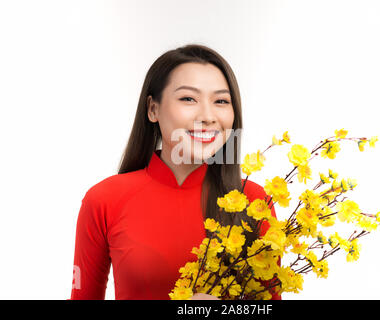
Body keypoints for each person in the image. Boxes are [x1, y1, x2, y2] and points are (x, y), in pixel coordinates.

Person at [69, 44, 281, 300]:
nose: (207, 116)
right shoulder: (104, 200)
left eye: (221, 101)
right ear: (153, 109)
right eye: (188, 99)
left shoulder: (254, 202)